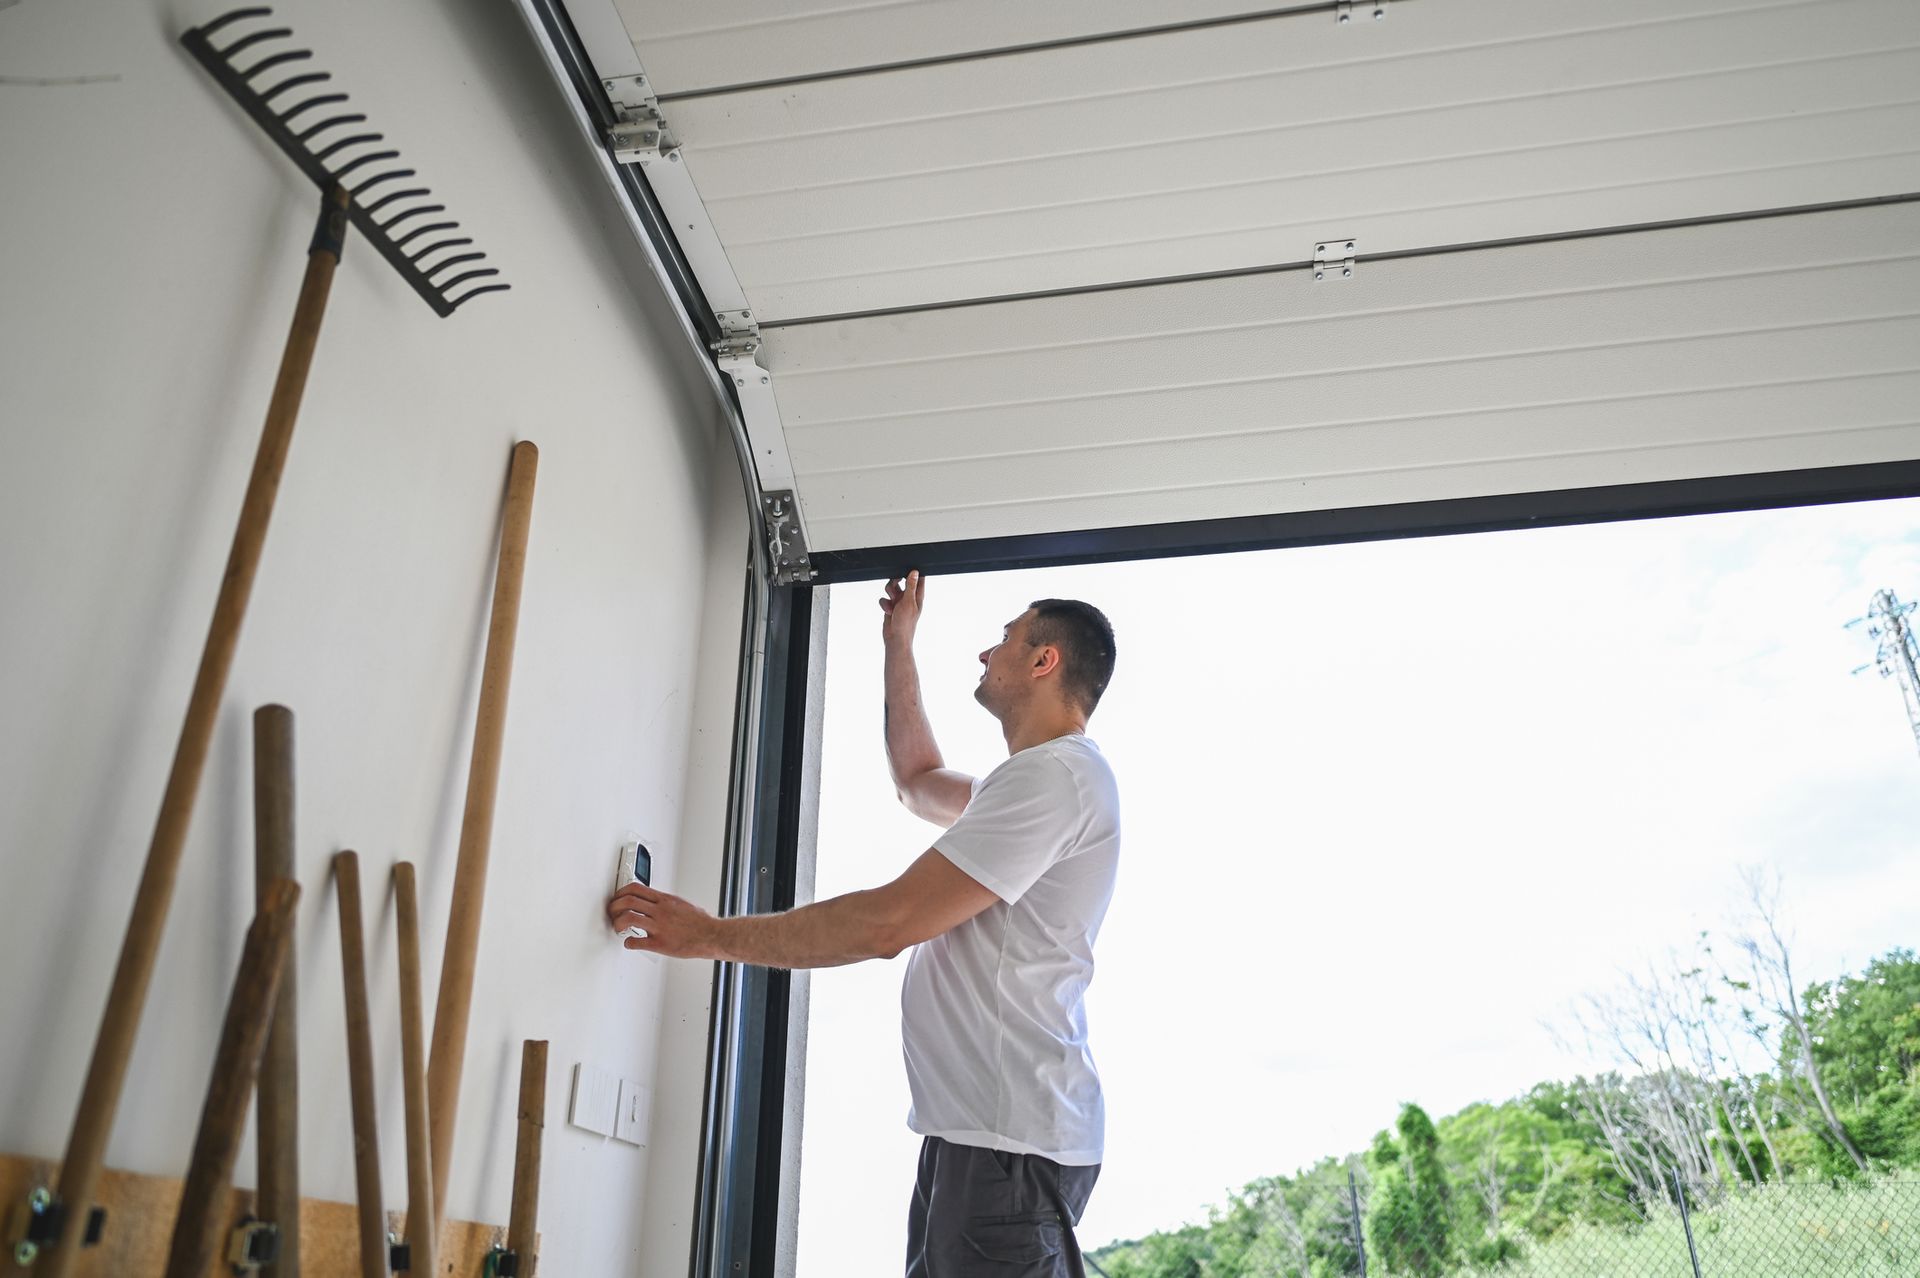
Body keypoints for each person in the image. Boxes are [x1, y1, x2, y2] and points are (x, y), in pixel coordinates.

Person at [607, 570, 1121, 1277]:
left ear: (1044, 660)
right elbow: (916, 779)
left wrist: (709, 936)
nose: (984, 654)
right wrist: (897, 640)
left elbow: (889, 923)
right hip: (981, 1135)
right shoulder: (1026, 786)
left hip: (1009, 1145)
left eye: (1004, 640)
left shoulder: (1057, 780)